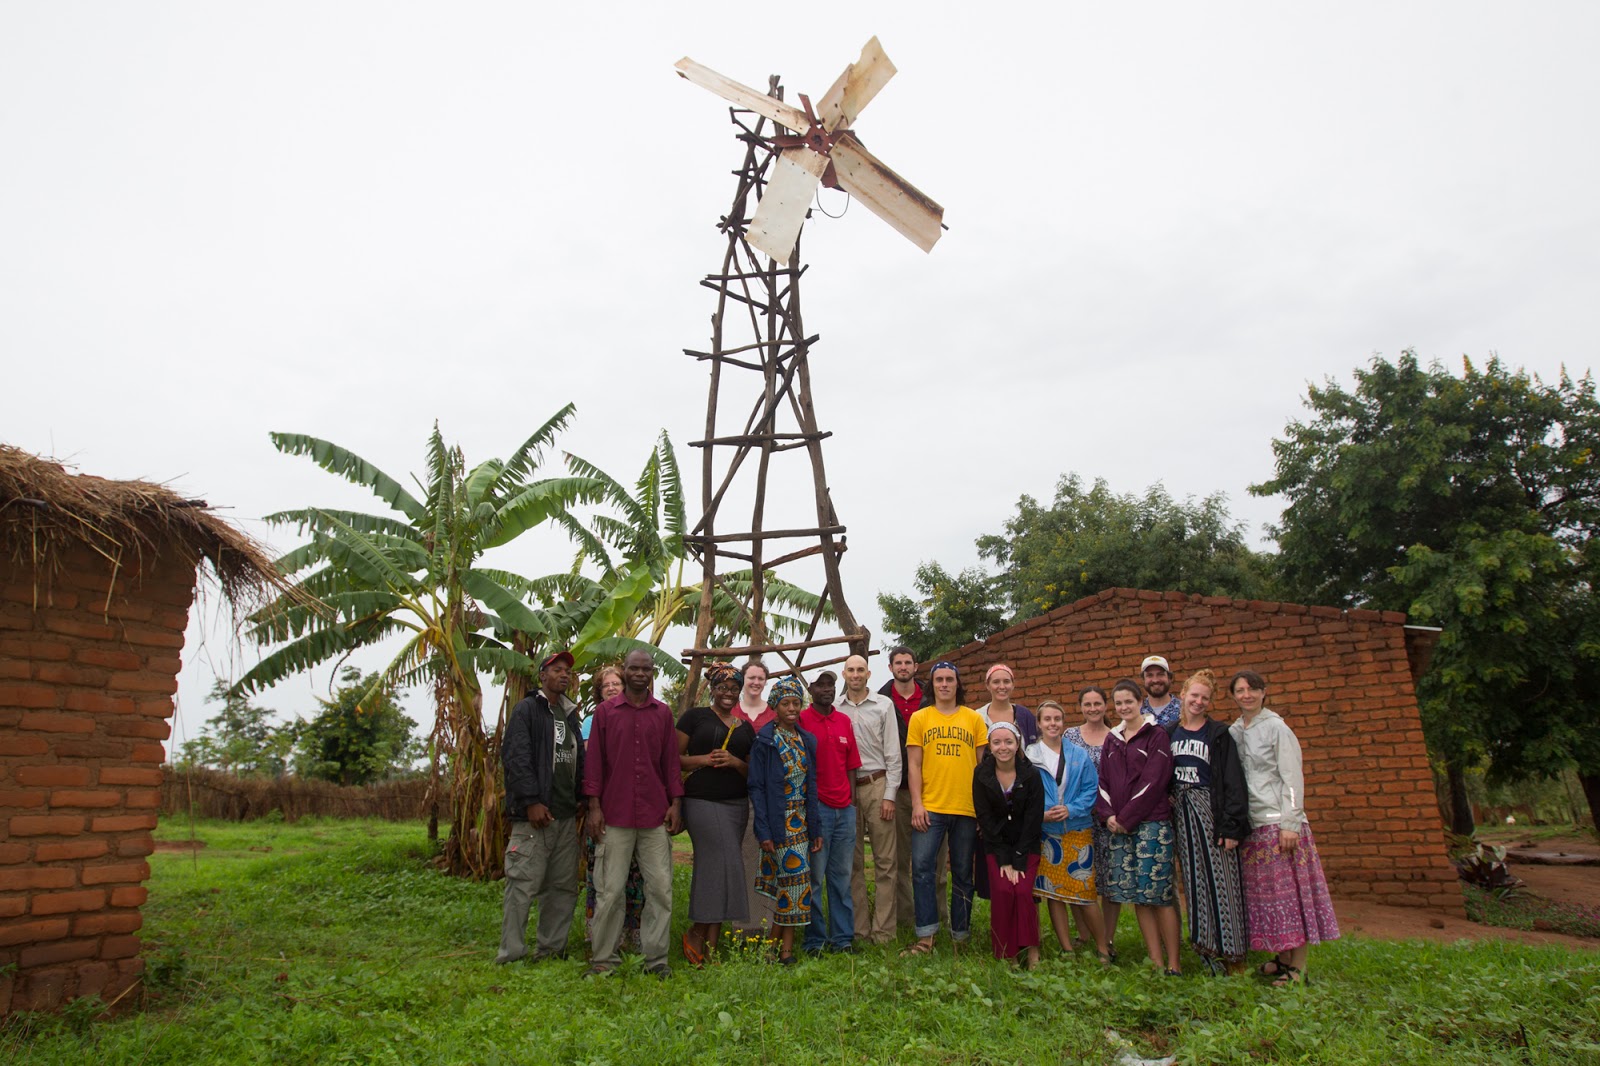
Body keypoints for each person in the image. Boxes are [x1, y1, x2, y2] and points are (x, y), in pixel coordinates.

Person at [1229, 669, 1339, 987]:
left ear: (1264, 693)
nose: (1246, 694)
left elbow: (1292, 776)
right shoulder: (1236, 732)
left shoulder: (1277, 728)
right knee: (1271, 900)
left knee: (1292, 897)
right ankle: (1282, 959)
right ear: (1233, 696)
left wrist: (1291, 822)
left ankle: (1298, 968)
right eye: (1240, 690)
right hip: (1254, 826)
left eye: (1252, 688)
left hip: (1281, 826)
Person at [583, 650, 682, 978]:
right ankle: (604, 959)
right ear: (625, 672)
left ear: (652, 673)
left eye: (646, 669)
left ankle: (656, 960)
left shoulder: (663, 714)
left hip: (654, 815)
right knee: (609, 891)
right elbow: (594, 763)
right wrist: (594, 807)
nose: (640, 674)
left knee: (660, 890)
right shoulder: (605, 713)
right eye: (634, 668)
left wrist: (675, 803)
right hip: (615, 814)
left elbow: (670, 763)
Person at [497, 650, 585, 964]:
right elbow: (516, 757)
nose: (564, 675)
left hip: (564, 815)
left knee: (562, 887)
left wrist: (580, 798)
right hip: (535, 817)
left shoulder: (570, 714)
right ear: (542, 676)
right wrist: (532, 801)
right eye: (557, 669)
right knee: (522, 885)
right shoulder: (527, 710)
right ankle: (512, 953)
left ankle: (551, 950)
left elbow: (576, 761)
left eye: (568, 672)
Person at [1164, 669, 1250, 975]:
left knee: (1223, 884)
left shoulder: (1217, 734)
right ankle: (1206, 951)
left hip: (1211, 813)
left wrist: (1231, 826)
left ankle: (1234, 955)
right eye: (1194, 695)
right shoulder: (1170, 732)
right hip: (1183, 817)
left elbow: (1232, 781)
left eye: (1205, 697)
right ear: (1183, 694)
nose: (1198, 701)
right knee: (1195, 883)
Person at [1095, 677, 1182, 974]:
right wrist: (1108, 816)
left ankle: (1173, 963)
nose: (1123, 707)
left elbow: (1154, 782)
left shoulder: (1156, 735)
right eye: (1118, 703)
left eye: (1128, 702)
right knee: (1139, 898)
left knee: (1159, 895)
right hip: (1117, 827)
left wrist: (1127, 818)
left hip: (1151, 826)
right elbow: (1103, 781)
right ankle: (1156, 962)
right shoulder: (1112, 738)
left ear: (1139, 702)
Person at [902, 661, 988, 956]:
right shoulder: (920, 718)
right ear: (932, 685)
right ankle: (926, 937)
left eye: (949, 679)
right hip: (931, 808)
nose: (944, 684)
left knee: (964, 873)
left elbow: (982, 768)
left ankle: (960, 936)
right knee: (923, 871)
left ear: (957, 684)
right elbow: (913, 764)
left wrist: (982, 810)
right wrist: (917, 803)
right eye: (939, 679)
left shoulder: (973, 719)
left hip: (966, 808)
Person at [676, 662, 756, 966]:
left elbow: (752, 772)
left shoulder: (744, 727)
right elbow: (673, 758)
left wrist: (735, 762)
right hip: (702, 803)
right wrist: (705, 759)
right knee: (720, 865)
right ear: (712, 689)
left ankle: (710, 942)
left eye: (734, 688)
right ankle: (696, 932)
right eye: (722, 687)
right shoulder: (695, 717)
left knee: (723, 868)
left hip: (736, 805)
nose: (728, 693)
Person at [1026, 699, 1110, 964]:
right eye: (1047, 719)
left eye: (1057, 719)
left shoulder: (1078, 754)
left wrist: (1071, 809)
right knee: (1054, 893)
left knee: (1084, 892)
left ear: (1063, 723)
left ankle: (1103, 948)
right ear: (1039, 724)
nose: (1053, 724)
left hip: (1077, 829)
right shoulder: (1030, 756)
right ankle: (1067, 949)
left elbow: (1091, 789)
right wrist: (1043, 812)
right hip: (1046, 833)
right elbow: (1026, 793)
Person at [748, 674, 823, 964]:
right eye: (786, 703)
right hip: (779, 823)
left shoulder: (806, 739)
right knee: (792, 884)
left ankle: (778, 950)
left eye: (796, 702)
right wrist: (764, 831)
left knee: (794, 886)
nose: (792, 708)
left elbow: (811, 785)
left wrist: (814, 826)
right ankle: (778, 950)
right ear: (775, 706)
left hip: (801, 822)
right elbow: (757, 787)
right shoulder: (765, 740)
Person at [878, 646, 945, 930]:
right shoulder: (880, 700)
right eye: (898, 663)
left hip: (932, 790)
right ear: (891, 667)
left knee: (936, 861)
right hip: (898, 790)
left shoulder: (933, 698)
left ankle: (939, 916)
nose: (903, 667)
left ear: (916, 667)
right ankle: (908, 917)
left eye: (908, 662)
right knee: (899, 860)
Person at [838, 653, 902, 944]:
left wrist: (890, 795)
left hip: (877, 784)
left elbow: (893, 754)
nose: (855, 674)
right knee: (851, 863)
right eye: (851, 670)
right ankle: (858, 930)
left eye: (860, 670)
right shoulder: (836, 709)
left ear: (868, 674)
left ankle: (884, 932)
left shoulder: (883, 705)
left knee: (885, 862)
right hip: (846, 789)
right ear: (844, 674)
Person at [972, 721, 1045, 966]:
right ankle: (1008, 954)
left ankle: (1032, 951)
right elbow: (985, 818)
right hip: (996, 846)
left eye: (1008, 741)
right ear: (990, 747)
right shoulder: (981, 775)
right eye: (997, 742)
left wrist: (1019, 858)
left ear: (1017, 744)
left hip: (1026, 845)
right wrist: (1005, 859)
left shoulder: (1032, 775)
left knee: (1023, 892)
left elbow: (1034, 820)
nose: (1003, 747)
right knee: (1003, 891)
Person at [798, 670, 861, 954]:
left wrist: (851, 803)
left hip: (844, 810)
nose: (826, 689)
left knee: (841, 877)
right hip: (817, 809)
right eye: (820, 685)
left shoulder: (844, 721)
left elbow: (851, 765)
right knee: (814, 878)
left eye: (831, 685)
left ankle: (842, 938)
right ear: (809, 689)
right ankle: (814, 940)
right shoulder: (801, 721)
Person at [582, 666, 643, 952]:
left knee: (634, 875)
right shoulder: (591, 720)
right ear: (599, 690)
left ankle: (632, 932)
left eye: (616, 682)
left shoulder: (639, 715)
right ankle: (601, 934)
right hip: (603, 808)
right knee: (603, 875)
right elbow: (592, 763)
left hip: (634, 810)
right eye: (606, 684)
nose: (611, 688)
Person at [730, 658, 776, 938]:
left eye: (760, 678)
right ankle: (740, 924)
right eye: (751, 678)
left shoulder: (773, 713)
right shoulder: (731, 711)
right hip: (732, 793)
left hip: (767, 797)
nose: (756, 683)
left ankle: (764, 923)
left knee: (765, 859)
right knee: (740, 859)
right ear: (743, 680)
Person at [1065, 685, 1111, 768]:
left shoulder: (1115, 737)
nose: (1093, 709)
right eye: (1087, 704)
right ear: (1081, 708)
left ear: (1106, 706)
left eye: (1097, 704)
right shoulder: (1070, 736)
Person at [1140, 655, 1182, 729]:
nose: (1155, 680)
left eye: (1160, 674)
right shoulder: (1138, 712)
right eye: (1150, 675)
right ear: (1143, 680)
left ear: (1169, 678)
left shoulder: (1183, 709)